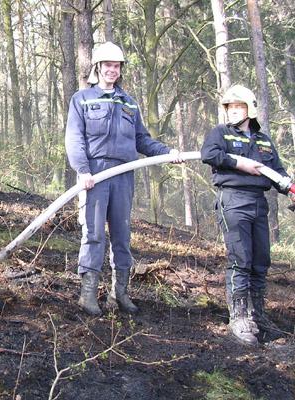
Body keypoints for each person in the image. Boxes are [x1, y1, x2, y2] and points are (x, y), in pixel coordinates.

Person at [65, 42, 182, 317]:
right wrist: (83, 170)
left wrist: (167, 152)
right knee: (93, 234)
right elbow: (74, 138)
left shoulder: (129, 103)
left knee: (122, 234)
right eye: (108, 65)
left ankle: (120, 293)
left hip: (123, 174)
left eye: (116, 66)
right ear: (98, 68)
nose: (112, 70)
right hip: (95, 174)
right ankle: (88, 295)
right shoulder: (82, 99)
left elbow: (142, 140)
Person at [201, 84, 295, 345]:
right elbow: (209, 154)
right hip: (233, 200)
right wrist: (239, 162)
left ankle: (257, 315)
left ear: (250, 110)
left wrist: (290, 188)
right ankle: (239, 317)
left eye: (238, 107)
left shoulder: (263, 140)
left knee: (260, 260)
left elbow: (277, 172)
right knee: (240, 259)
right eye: (229, 107)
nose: (232, 111)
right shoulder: (220, 133)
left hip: (258, 203)